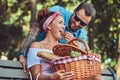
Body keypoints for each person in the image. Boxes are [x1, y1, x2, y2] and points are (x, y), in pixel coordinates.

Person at [19, 2, 96, 72]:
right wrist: (23, 54)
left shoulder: (81, 35)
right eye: (77, 18)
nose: (77, 23)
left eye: (82, 23)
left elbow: (80, 58)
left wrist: (74, 44)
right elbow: (34, 31)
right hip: (37, 58)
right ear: (75, 11)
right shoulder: (58, 12)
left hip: (54, 69)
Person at [27, 9, 74, 80]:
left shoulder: (64, 48)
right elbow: (36, 76)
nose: (64, 27)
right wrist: (51, 77)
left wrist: (73, 43)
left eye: (64, 24)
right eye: (60, 22)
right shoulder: (36, 46)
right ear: (49, 26)